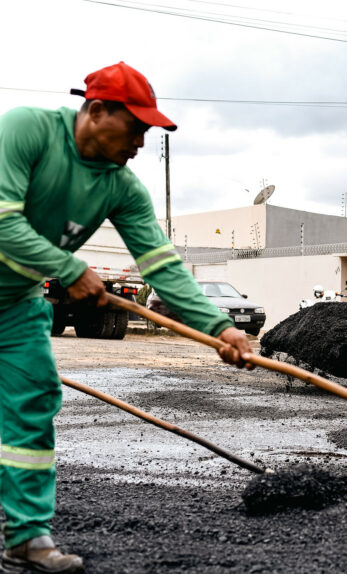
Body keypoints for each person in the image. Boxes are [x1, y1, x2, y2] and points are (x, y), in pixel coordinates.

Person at [0, 62, 253, 573]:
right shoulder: (26, 129)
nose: (140, 142)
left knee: (32, 405)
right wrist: (69, 267)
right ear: (96, 111)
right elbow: (3, 221)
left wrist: (219, 329)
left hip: (17, 308)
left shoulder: (122, 187)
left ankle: (25, 539)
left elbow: (163, 266)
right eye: (135, 127)